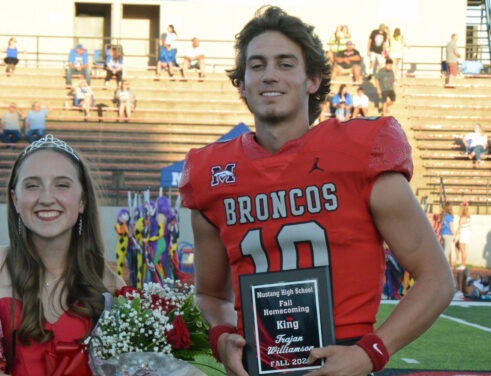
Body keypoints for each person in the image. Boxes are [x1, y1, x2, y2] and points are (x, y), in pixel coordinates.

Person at [179, 6, 454, 376]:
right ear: (241, 83)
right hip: (259, 365)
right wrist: (222, 335)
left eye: (285, 63)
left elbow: (437, 278)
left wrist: (369, 353)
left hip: (346, 364)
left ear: (313, 80)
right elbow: (210, 295)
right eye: (257, 65)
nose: (269, 75)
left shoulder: (360, 150)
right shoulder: (212, 172)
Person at [0, 134, 125, 376]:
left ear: (82, 200)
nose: (47, 198)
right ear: (15, 199)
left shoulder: (111, 286)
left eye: (62, 185)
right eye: (32, 185)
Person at [454, 202, 470, 267]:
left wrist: (455, 235)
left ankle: (463, 265)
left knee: (463, 250)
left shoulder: (462, 218)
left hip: (463, 234)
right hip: (466, 233)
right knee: (462, 249)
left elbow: (459, 228)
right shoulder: (468, 217)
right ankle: (462, 264)